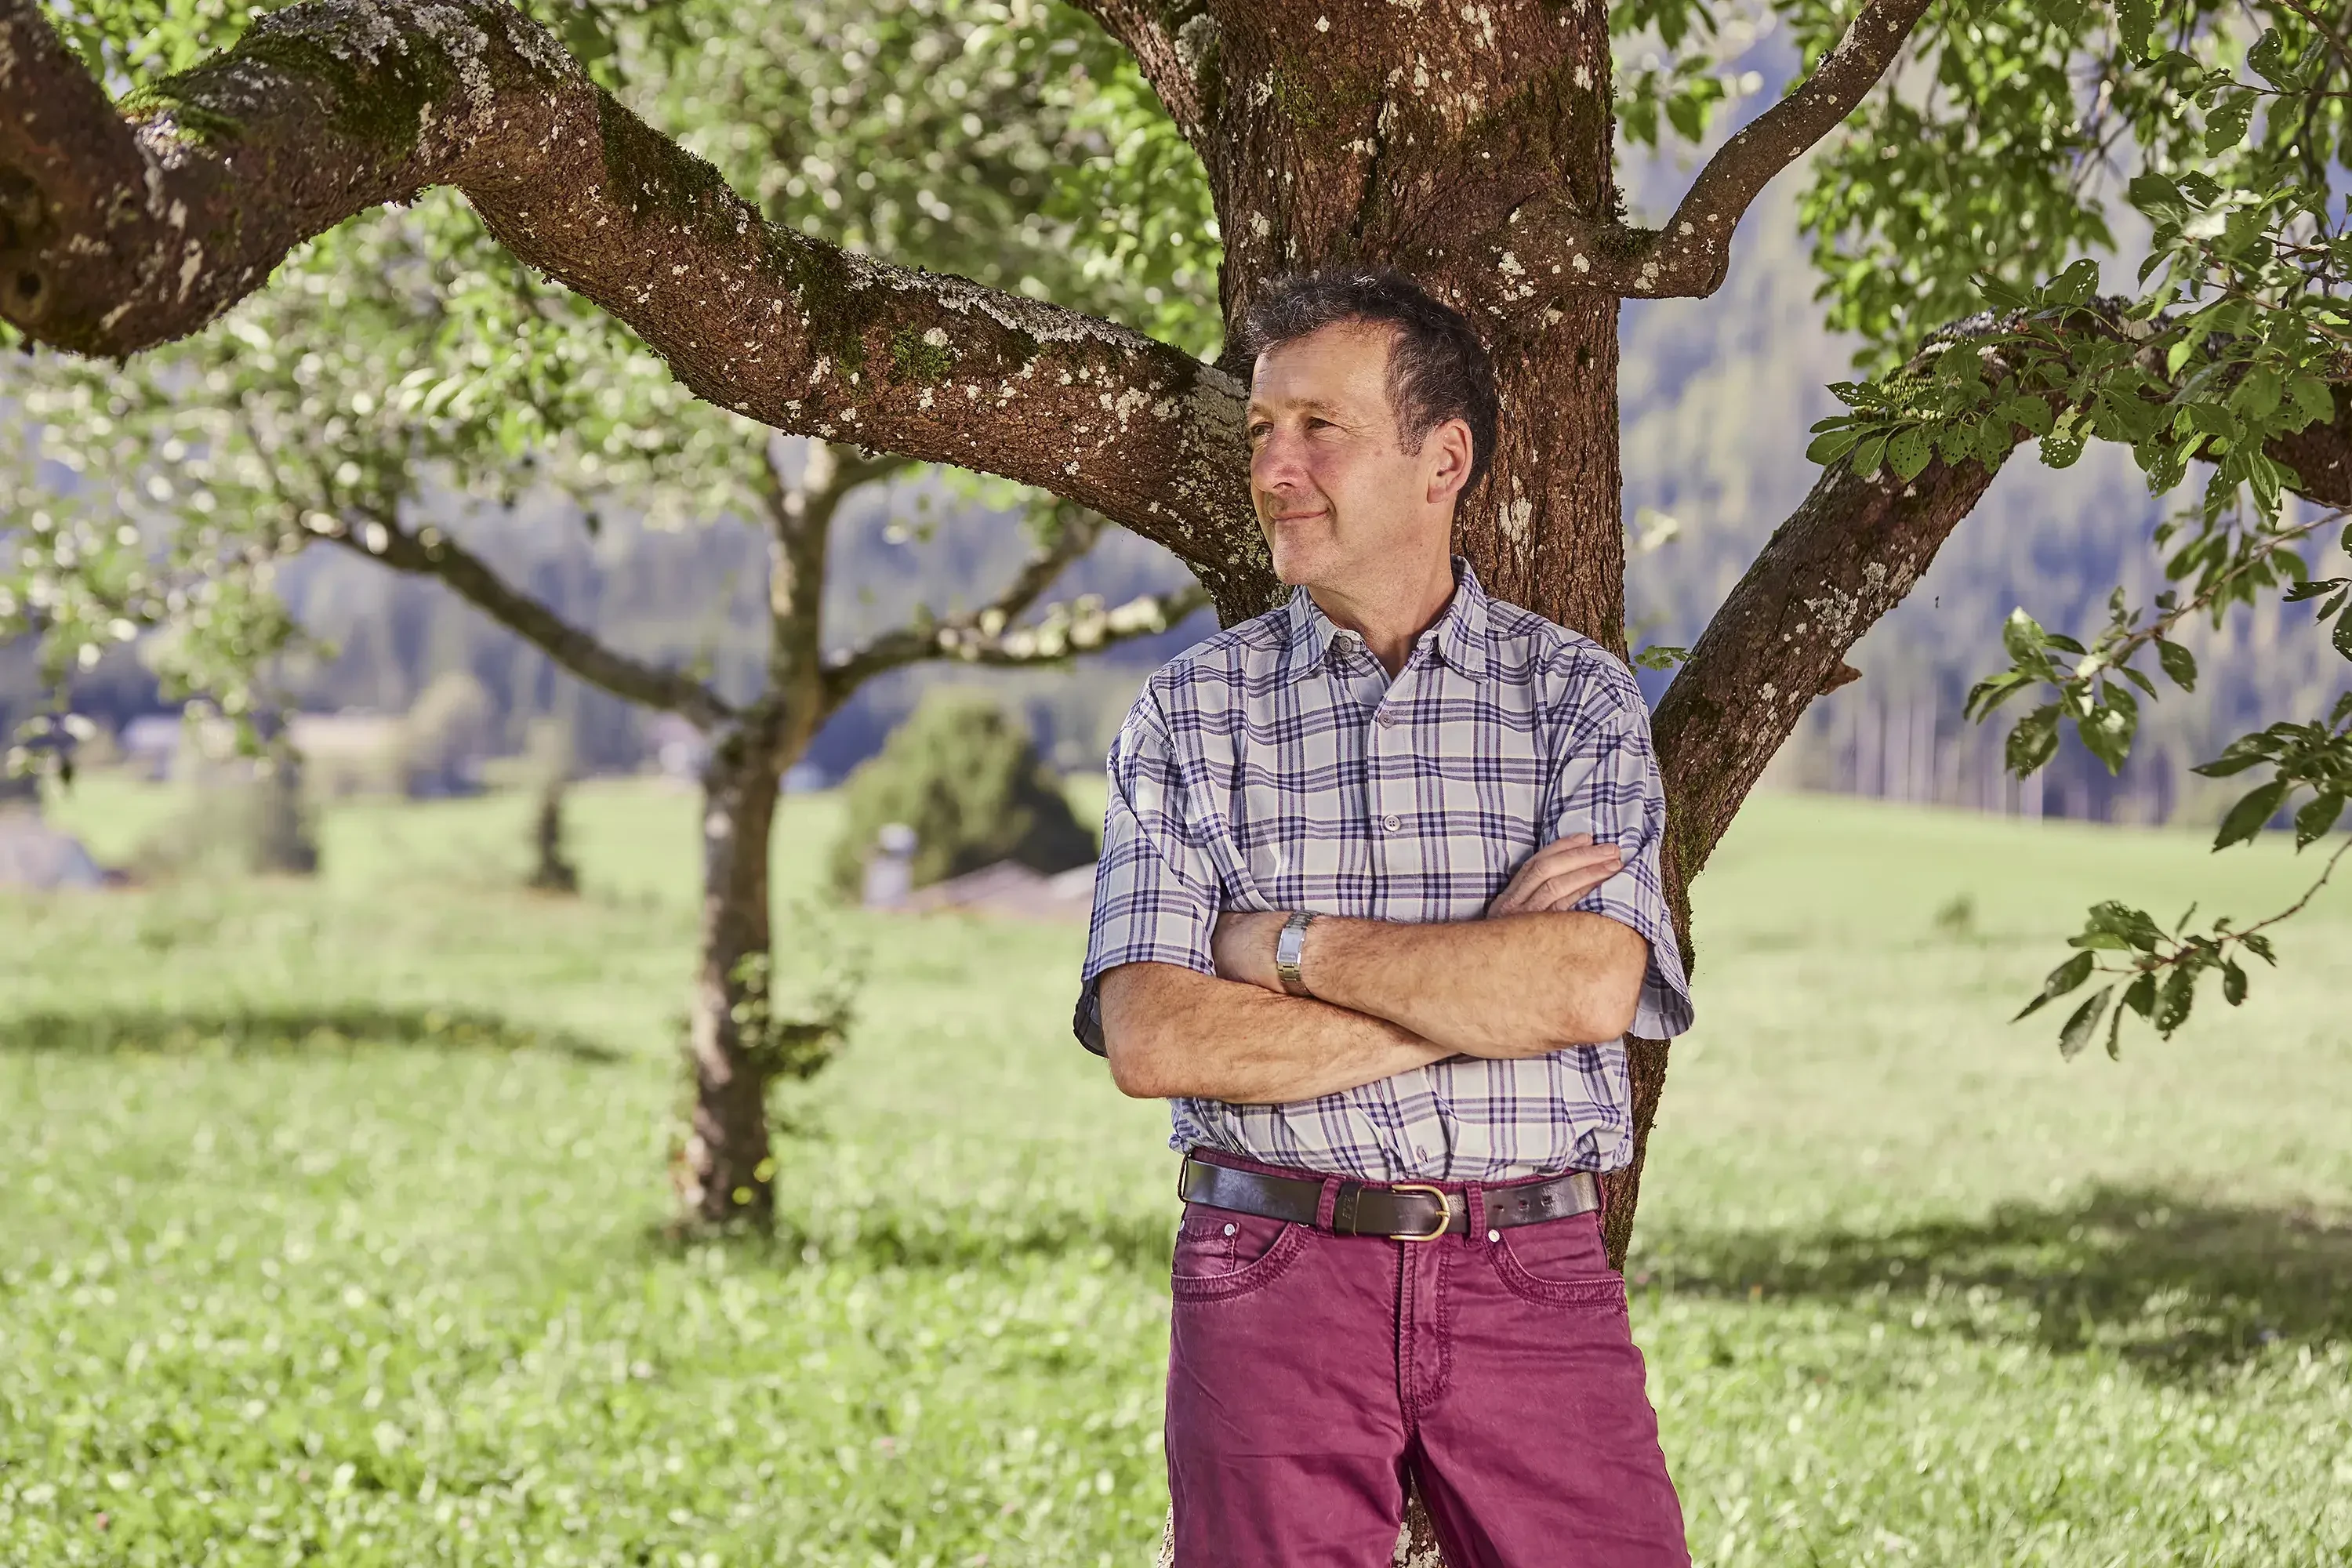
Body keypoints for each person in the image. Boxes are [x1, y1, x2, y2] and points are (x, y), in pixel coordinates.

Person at [1074, 267, 1695, 1566]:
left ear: (1443, 458)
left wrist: (1283, 952)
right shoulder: (1189, 720)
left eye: (1319, 427)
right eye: (1261, 431)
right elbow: (1153, 1038)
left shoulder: (1575, 699)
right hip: (1269, 1266)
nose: (1277, 467)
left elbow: (1585, 992)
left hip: (1531, 1271)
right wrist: (1481, 992)